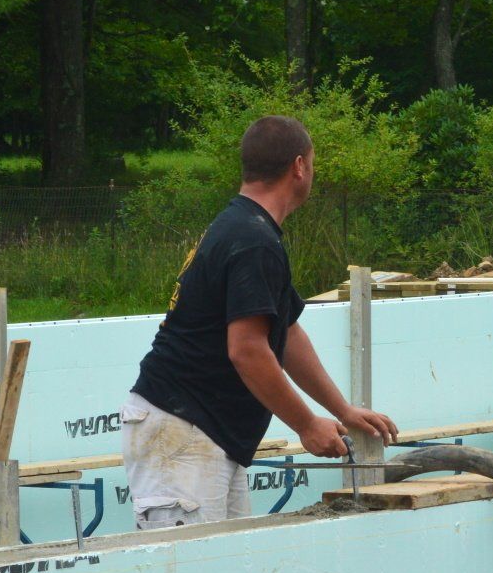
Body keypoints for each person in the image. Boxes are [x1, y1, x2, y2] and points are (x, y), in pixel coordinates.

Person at [120, 116, 397, 528]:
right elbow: (247, 350)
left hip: (200, 433)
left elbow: (285, 332)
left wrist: (341, 410)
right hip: (182, 431)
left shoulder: (249, 228)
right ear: (299, 166)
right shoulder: (252, 240)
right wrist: (306, 425)